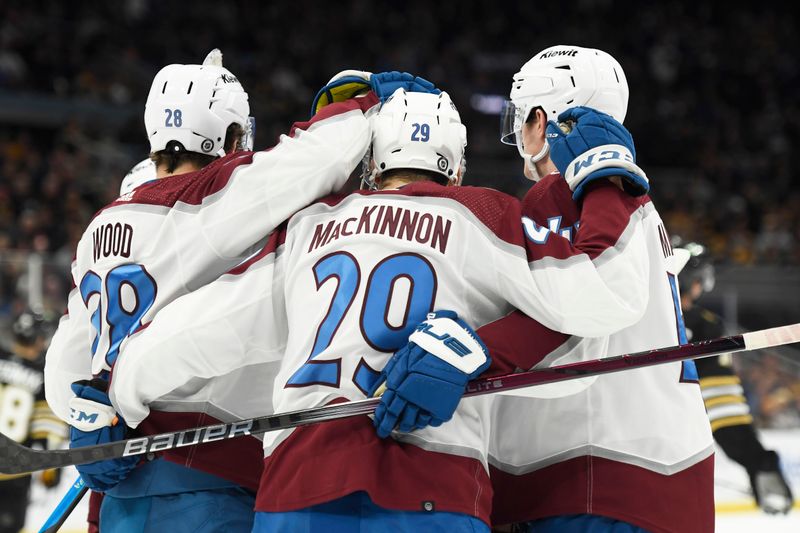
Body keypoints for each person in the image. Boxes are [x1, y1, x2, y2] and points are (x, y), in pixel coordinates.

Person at [108, 73, 658, 531]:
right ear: (456, 166)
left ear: (373, 161)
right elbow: (603, 294)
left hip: (297, 490)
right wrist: (606, 179)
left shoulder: (308, 226)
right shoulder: (487, 215)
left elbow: (199, 329)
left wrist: (116, 386)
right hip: (431, 488)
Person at [43, 51, 428, 532]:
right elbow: (311, 161)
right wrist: (367, 101)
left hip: (122, 486)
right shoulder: (210, 200)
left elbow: (65, 367)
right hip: (209, 479)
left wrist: (89, 417)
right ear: (227, 135)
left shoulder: (99, 230)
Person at [487, 45, 714, 533]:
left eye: (521, 118)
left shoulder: (564, 194)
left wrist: (470, 349)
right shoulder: (629, 200)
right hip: (658, 478)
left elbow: (579, 316)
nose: (518, 135)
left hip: (591, 481)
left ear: (542, 119)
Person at [675, 238, 794, 515]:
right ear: (693, 280)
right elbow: (725, 408)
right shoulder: (705, 324)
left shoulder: (636, 314)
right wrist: (757, 460)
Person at [0, 310, 66, 533]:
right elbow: (47, 430)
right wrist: (51, 469)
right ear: (38, 339)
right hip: (13, 472)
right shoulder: (41, 378)